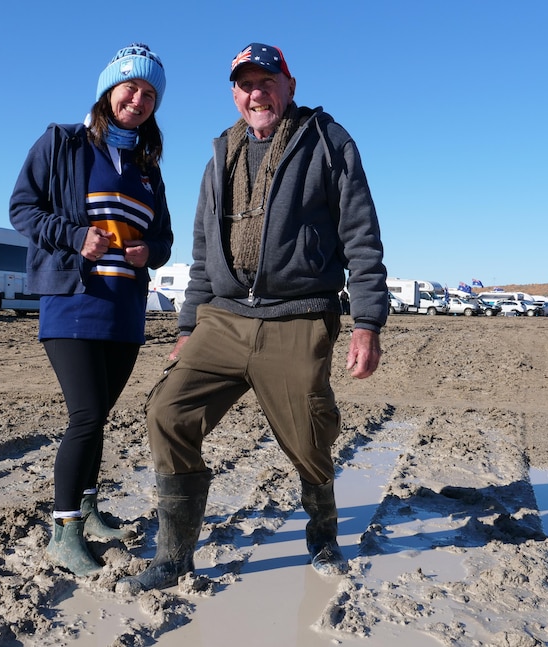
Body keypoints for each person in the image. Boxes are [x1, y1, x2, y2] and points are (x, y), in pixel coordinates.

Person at [117, 42, 387, 594]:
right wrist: (188, 326)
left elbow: (360, 233)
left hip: (299, 316)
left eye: (267, 81)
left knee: (308, 435)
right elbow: (201, 249)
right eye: (245, 84)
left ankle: (323, 535)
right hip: (223, 318)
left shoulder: (328, 141)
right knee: (168, 411)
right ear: (235, 94)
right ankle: (174, 556)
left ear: (289, 85)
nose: (256, 92)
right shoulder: (222, 152)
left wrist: (368, 322)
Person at [9, 43, 173, 577]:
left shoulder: (148, 166)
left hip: (125, 311)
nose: (139, 99)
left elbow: (164, 238)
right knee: (84, 417)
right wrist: (75, 235)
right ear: (109, 90)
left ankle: (88, 509)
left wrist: (154, 252)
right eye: (131, 87)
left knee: (98, 417)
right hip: (74, 304)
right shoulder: (62, 143)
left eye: (150, 93)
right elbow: (22, 209)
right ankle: (63, 532)